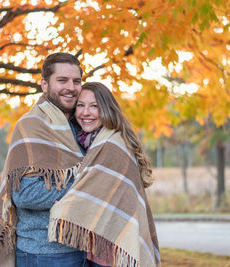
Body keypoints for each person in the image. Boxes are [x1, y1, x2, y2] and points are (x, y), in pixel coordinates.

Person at [0, 52, 88, 267]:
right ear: (44, 84)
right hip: (44, 254)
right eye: (62, 80)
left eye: (76, 81)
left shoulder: (84, 127)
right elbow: (24, 195)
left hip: (84, 249)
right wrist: (87, 181)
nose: (71, 87)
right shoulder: (32, 127)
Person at [49, 82, 162, 267]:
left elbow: (95, 190)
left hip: (114, 247)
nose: (86, 113)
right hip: (100, 244)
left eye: (94, 106)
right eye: (81, 105)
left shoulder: (112, 144)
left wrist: (61, 207)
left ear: (107, 109)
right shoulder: (89, 141)